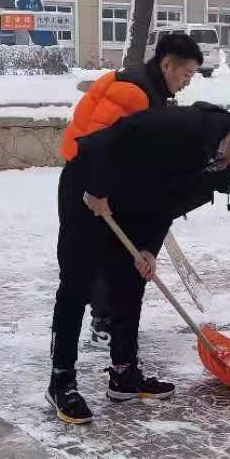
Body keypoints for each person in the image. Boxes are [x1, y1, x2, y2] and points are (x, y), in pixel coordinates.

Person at [48, 104, 230, 424]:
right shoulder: (186, 126)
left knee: (131, 281)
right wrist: (97, 189)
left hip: (133, 205)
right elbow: (112, 140)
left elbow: (170, 204)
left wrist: (149, 248)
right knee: (78, 282)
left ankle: (124, 374)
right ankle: (61, 381)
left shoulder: (220, 168)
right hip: (89, 187)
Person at [60, 31, 204, 346]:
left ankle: (106, 319)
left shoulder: (148, 88)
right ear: (167, 65)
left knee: (110, 253)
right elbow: (96, 144)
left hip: (102, 179)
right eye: (186, 74)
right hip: (88, 182)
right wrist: (99, 191)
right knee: (99, 255)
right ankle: (102, 324)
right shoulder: (134, 92)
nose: (187, 82)